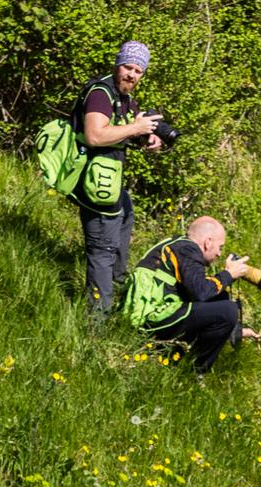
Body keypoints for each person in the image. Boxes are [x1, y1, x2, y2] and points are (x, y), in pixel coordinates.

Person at [73, 41, 164, 313]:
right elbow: (96, 135)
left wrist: (147, 137)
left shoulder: (125, 98)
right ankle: (98, 319)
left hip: (109, 181)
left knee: (125, 214)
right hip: (94, 182)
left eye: (138, 71)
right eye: (128, 67)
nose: (132, 75)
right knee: (103, 248)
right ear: (117, 65)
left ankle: (118, 290)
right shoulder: (101, 93)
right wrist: (135, 127)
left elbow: (123, 132)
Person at [121, 216, 261, 373]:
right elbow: (200, 293)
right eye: (220, 247)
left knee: (221, 298)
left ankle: (177, 356)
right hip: (151, 318)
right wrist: (228, 275)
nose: (219, 254)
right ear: (208, 242)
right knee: (227, 310)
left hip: (156, 313)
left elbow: (198, 291)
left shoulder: (178, 245)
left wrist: (237, 331)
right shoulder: (188, 249)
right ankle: (196, 371)